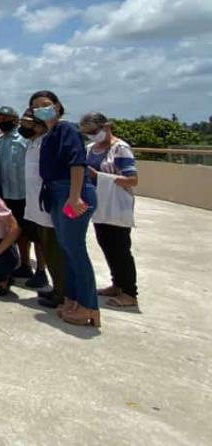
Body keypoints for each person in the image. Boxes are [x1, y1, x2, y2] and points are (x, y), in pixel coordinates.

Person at [31, 90, 100, 329]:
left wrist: (75, 197)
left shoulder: (66, 129)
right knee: (67, 249)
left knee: (76, 250)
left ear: (58, 106)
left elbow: (77, 162)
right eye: (36, 106)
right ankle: (73, 299)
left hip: (71, 194)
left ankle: (89, 305)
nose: (42, 109)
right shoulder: (50, 134)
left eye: (46, 104)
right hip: (56, 194)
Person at [81, 112, 139, 309]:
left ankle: (130, 292)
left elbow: (132, 180)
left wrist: (100, 176)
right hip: (99, 205)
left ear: (106, 127)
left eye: (94, 131)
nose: (91, 135)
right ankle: (117, 284)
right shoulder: (90, 149)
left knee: (120, 248)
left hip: (116, 205)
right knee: (106, 244)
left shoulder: (120, 149)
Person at [20, 110, 66, 309]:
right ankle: (58, 289)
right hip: (34, 204)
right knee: (45, 246)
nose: (24, 126)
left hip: (47, 204)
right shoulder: (33, 142)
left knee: (54, 250)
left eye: (27, 122)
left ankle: (62, 292)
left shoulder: (48, 141)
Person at [0, 105, 40, 285]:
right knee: (18, 232)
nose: (1, 122)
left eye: (5, 118)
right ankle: (25, 264)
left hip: (26, 193)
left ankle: (41, 270)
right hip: (8, 194)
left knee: (35, 235)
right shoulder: (1, 139)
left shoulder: (24, 139)